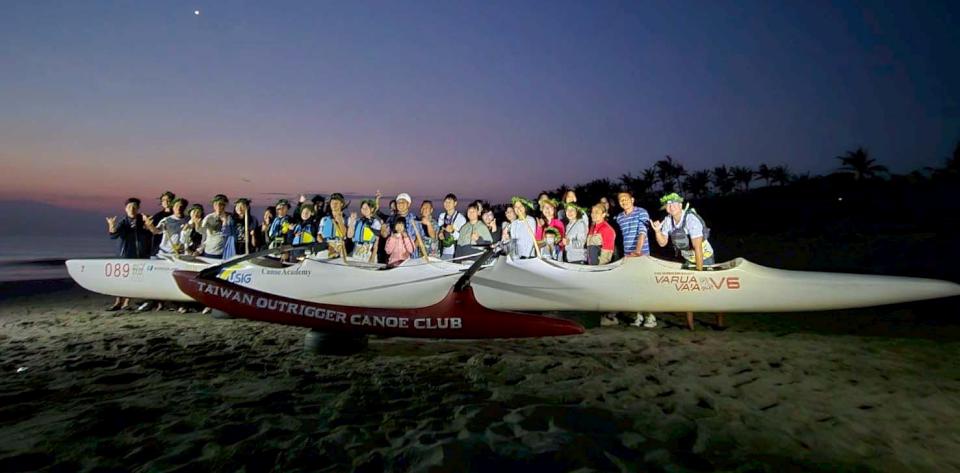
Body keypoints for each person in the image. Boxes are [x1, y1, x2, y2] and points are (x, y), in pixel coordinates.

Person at [652, 193, 723, 330]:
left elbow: (698, 248)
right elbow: (662, 243)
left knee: (712, 290)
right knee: (687, 291)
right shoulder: (668, 221)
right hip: (688, 258)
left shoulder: (691, 219)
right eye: (668, 205)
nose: (671, 207)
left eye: (674, 204)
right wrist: (657, 231)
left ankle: (719, 323)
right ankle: (690, 327)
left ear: (680, 205)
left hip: (704, 256)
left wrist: (699, 273)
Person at [615, 190, 656, 328]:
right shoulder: (619, 217)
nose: (623, 201)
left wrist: (638, 251)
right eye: (621, 200)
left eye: (625, 198)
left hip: (642, 254)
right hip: (628, 256)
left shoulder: (642, 212)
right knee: (633, 287)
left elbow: (642, 232)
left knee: (645, 286)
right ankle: (638, 316)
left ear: (632, 200)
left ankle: (650, 316)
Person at [105, 198, 152, 310]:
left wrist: (149, 226)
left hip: (140, 256)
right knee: (120, 280)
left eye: (134, 207)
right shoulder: (124, 222)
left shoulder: (143, 220)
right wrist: (111, 225)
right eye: (129, 207)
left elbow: (151, 233)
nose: (132, 209)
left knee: (133, 280)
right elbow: (114, 235)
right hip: (125, 255)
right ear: (125, 209)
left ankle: (127, 303)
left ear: (138, 208)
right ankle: (118, 302)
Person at [381, 193, 425, 259]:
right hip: (395, 258)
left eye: (403, 202)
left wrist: (408, 252)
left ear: (409, 204)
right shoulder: (391, 219)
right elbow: (385, 235)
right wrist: (382, 230)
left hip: (412, 257)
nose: (400, 204)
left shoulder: (415, 218)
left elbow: (419, 238)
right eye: (398, 202)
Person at [198, 194, 235, 259]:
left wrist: (224, 222)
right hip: (209, 252)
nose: (218, 206)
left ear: (225, 205)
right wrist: (197, 224)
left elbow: (227, 234)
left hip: (224, 253)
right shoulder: (209, 217)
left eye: (221, 204)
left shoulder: (230, 217)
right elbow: (202, 232)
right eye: (215, 204)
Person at [436, 193, 466, 260]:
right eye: (445, 202)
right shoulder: (442, 216)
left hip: (455, 253)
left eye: (450, 202)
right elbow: (439, 230)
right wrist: (440, 234)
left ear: (455, 203)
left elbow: (463, 238)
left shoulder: (461, 218)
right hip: (442, 252)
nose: (447, 204)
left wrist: (452, 231)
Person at [319, 193, 349, 258]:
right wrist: (325, 244)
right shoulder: (324, 219)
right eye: (332, 203)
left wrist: (340, 221)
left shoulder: (346, 219)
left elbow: (344, 234)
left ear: (341, 204)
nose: (334, 205)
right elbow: (319, 235)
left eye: (336, 203)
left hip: (339, 246)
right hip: (326, 246)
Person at [150, 191, 176, 255]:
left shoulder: (178, 215)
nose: (166, 202)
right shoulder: (157, 216)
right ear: (161, 202)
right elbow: (153, 231)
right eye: (163, 200)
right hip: (159, 248)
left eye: (168, 200)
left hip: (175, 248)